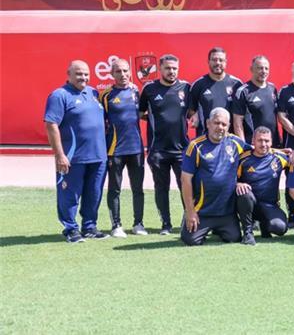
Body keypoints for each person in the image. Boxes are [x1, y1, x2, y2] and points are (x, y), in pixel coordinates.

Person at [46, 60, 109, 243]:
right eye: (79, 74)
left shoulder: (93, 93)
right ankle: (71, 229)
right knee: (69, 195)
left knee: (94, 194)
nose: (83, 77)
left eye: (86, 74)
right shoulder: (59, 95)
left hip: (98, 156)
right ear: (69, 74)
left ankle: (89, 227)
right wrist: (60, 155)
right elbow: (51, 125)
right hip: (73, 158)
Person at [180, 108, 251, 246]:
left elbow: (259, 151)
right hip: (203, 211)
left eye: (224, 124)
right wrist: (190, 211)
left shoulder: (235, 142)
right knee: (191, 240)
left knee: (234, 238)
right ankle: (189, 218)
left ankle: (220, 228)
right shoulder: (195, 146)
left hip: (226, 213)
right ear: (208, 123)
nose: (220, 127)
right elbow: (185, 180)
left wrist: (287, 152)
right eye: (216, 123)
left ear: (228, 126)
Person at [139, 54, 191, 235]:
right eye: (168, 68)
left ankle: (188, 221)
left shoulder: (186, 88)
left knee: (186, 186)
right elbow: (140, 113)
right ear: (160, 69)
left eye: (175, 68)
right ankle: (166, 224)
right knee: (161, 188)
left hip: (182, 150)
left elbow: (192, 112)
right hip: (158, 150)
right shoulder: (149, 89)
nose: (171, 71)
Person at [101, 59, 145, 237]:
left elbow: (144, 114)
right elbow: (99, 122)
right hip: (115, 151)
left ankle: (138, 224)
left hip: (137, 150)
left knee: (138, 189)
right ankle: (116, 225)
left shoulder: (136, 91)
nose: (123, 74)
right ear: (112, 74)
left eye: (126, 71)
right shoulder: (106, 96)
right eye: (118, 71)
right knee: (114, 189)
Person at [234, 127, 290, 242]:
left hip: (270, 205)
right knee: (245, 194)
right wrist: (238, 184)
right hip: (248, 204)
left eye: (267, 141)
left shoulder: (280, 157)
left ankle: (265, 225)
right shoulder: (242, 159)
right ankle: (248, 232)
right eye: (260, 140)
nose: (263, 144)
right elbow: (228, 178)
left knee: (280, 228)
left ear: (271, 142)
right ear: (253, 141)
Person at [188, 47, 243, 136]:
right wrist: (195, 115)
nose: (217, 63)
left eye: (221, 60)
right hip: (205, 138)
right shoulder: (198, 84)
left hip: (230, 138)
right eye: (214, 60)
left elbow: (242, 114)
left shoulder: (237, 84)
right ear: (208, 62)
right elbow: (191, 110)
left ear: (225, 62)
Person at [231, 56, 279, 145]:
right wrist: (243, 146)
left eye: (266, 68)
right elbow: (237, 123)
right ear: (251, 69)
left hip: (273, 143)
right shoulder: (243, 91)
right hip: (254, 145)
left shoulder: (273, 88)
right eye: (260, 68)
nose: (264, 71)